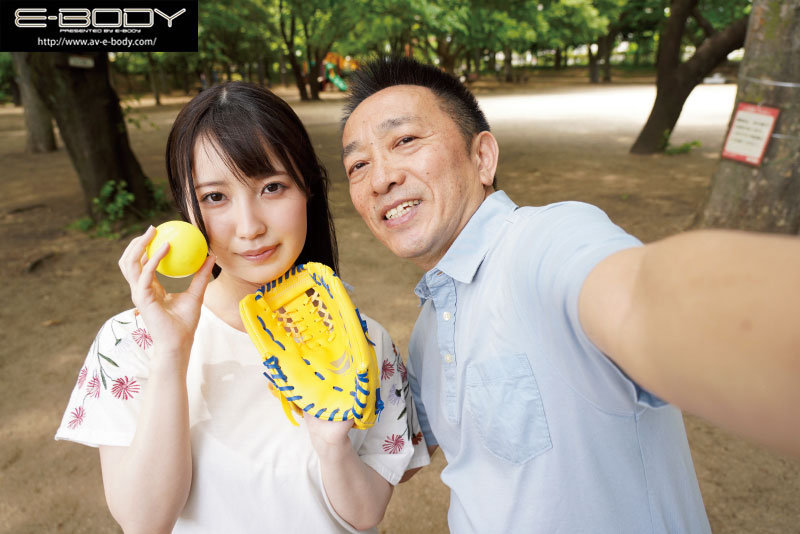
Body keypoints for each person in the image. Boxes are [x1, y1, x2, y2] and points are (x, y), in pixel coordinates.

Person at [340, 56, 800, 533]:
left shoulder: (545, 242)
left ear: (483, 158)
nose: (380, 179)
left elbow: (644, 293)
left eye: (405, 140)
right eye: (358, 165)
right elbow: (399, 455)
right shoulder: (430, 327)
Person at [55, 81, 428, 533]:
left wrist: (333, 445)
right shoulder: (129, 342)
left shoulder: (366, 344)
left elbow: (366, 515)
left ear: (307, 189)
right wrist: (171, 353)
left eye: (272, 187)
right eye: (215, 197)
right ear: (186, 209)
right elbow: (145, 522)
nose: (249, 226)